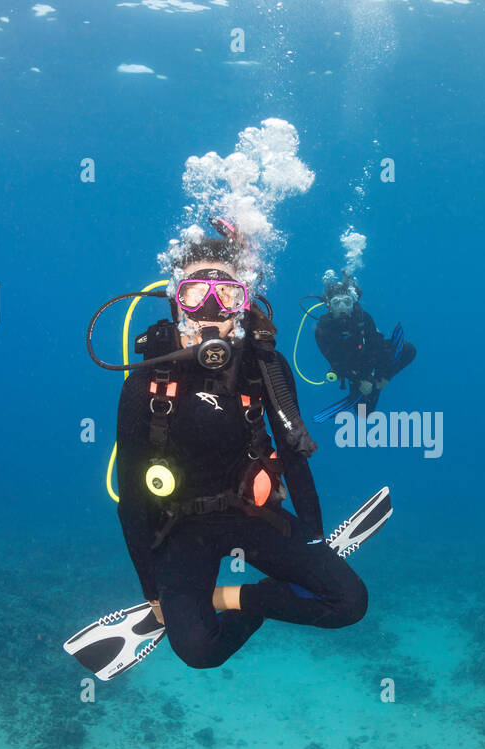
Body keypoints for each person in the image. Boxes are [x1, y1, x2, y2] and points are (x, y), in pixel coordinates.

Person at [111, 234, 367, 668]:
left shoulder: (264, 366)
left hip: (252, 514)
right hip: (180, 527)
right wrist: (151, 590)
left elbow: (294, 457)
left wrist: (314, 536)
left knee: (349, 603)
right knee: (199, 652)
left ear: (242, 305)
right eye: (196, 294)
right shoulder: (146, 382)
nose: (211, 311)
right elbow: (132, 499)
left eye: (226, 295)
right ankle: (210, 603)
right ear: (177, 301)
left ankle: (234, 597)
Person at [311, 270, 415, 420]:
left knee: (409, 350)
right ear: (329, 306)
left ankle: (378, 381)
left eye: (346, 302)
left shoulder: (363, 317)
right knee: (364, 414)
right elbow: (336, 362)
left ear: (352, 303)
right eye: (336, 303)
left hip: (374, 359)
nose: (342, 307)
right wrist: (361, 380)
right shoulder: (323, 330)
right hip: (354, 370)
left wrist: (384, 374)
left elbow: (377, 344)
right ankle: (370, 384)